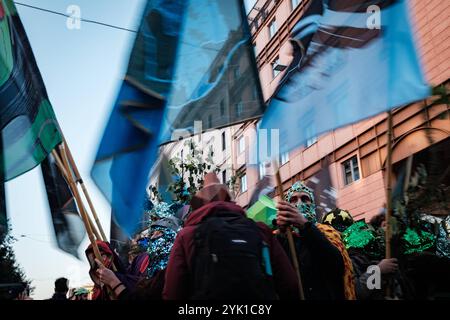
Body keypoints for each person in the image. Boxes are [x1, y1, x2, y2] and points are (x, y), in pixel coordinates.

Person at [163, 173, 298, 300]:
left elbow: (172, 293)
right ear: (229, 200)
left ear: (199, 204)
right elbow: (290, 285)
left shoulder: (186, 236)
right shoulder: (261, 230)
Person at [276, 181, 356, 300]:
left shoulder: (327, 232)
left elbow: (336, 266)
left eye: (304, 199)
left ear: (312, 205)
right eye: (293, 200)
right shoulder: (282, 238)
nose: (299, 204)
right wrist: (282, 235)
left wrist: (305, 227)